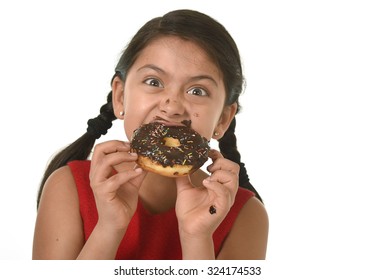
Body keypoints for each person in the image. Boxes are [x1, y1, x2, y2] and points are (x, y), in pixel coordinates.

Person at [32, 9, 268, 260]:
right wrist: (109, 227)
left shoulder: (245, 215)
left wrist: (196, 237)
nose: (173, 106)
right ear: (121, 96)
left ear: (223, 118)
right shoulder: (68, 187)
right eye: (154, 82)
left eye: (198, 91)